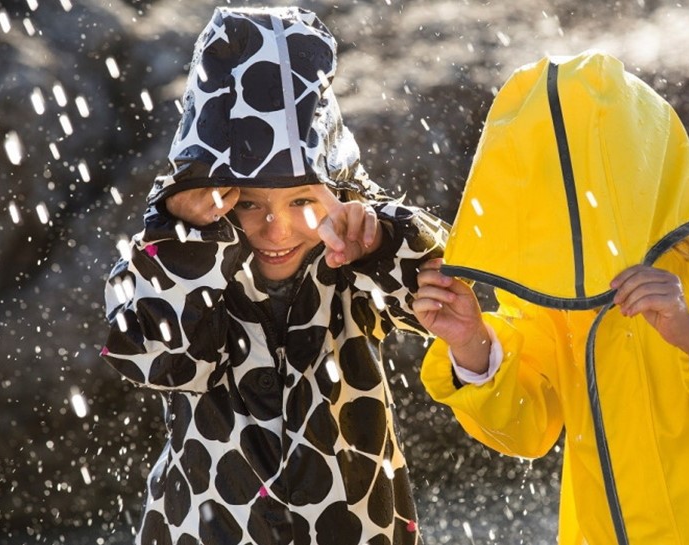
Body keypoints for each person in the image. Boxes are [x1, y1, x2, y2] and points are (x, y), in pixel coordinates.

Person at [413, 51, 689, 544]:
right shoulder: (547, 294)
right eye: (544, 177)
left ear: (641, 157)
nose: (571, 195)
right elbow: (525, 431)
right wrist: (472, 344)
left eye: (593, 168)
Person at [101, 7, 445, 545]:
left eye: (304, 200)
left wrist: (378, 242)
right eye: (248, 204)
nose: (276, 228)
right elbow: (157, 359)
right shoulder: (169, 255)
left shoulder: (356, 254)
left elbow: (444, 292)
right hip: (208, 527)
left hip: (355, 527)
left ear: (337, 189)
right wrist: (186, 235)